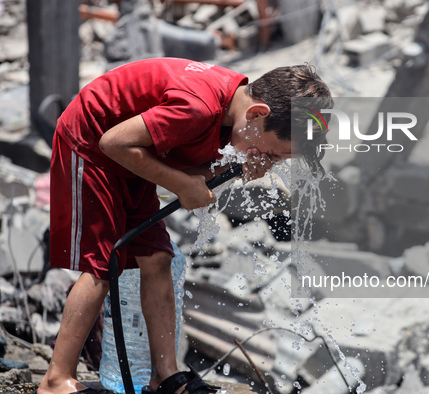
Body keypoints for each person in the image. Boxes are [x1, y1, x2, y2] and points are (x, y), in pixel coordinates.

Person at [38, 58, 333, 394]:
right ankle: (56, 380)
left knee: (158, 259)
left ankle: (165, 375)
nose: (270, 162)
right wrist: (181, 185)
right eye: (274, 154)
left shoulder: (233, 110)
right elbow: (114, 143)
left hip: (131, 158)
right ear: (257, 115)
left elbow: (189, 164)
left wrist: (221, 174)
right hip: (90, 144)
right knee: (103, 265)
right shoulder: (198, 106)